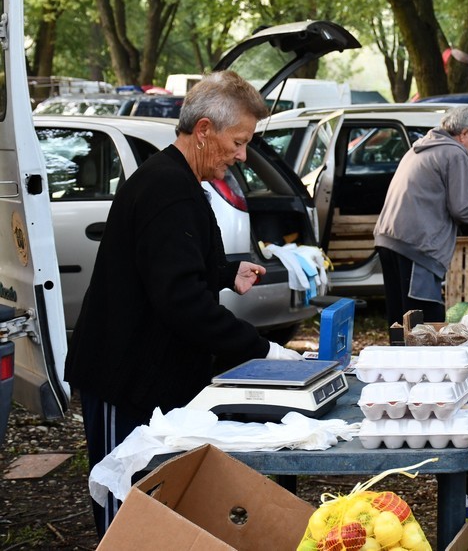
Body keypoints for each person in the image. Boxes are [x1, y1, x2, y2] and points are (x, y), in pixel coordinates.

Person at [64, 71, 301, 538]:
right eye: (238, 141)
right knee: (127, 502)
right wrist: (263, 350)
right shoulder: (166, 188)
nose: (242, 155)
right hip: (123, 375)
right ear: (205, 129)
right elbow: (180, 301)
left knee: (160, 500)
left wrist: (225, 273)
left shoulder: (182, 182)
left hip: (155, 374)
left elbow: (173, 262)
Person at [374, 105, 468, 327]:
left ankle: (398, 360)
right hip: (416, 244)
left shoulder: (419, 148)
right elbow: (463, 210)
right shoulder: (454, 153)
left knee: (399, 320)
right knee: (425, 321)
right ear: (464, 133)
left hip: (388, 239)